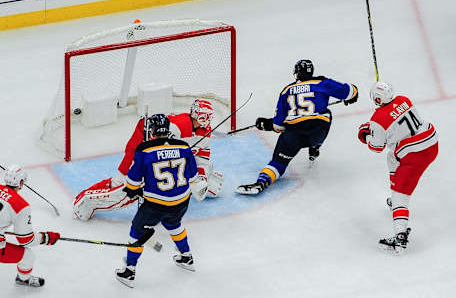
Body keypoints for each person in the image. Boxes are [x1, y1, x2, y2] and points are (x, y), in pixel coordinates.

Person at [73, 99, 224, 220]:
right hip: (141, 142)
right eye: (206, 117)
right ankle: (87, 199)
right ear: (198, 115)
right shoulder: (178, 126)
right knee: (122, 182)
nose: (208, 121)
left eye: (209, 117)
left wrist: (202, 179)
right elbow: (157, 148)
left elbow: (202, 158)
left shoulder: (204, 132)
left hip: (157, 149)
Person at [236, 59, 358, 195]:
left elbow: (278, 126)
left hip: (293, 134)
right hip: (317, 131)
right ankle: (315, 147)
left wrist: (268, 124)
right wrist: (353, 94)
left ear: (296, 74)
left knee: (278, 163)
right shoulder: (321, 83)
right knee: (326, 114)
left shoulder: (286, 91)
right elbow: (349, 92)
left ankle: (261, 183)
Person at [115, 114, 199, 288]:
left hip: (156, 204)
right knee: (174, 225)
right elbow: (193, 176)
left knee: (137, 231)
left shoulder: (144, 149)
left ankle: (129, 270)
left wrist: (132, 190)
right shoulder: (184, 146)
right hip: (182, 201)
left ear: (151, 131)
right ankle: (186, 257)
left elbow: (133, 179)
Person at [358, 81, 438, 254]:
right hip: (431, 142)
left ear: (378, 99)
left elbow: (376, 147)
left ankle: (400, 237)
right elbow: (395, 121)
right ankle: (396, 201)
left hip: (415, 154)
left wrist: (367, 134)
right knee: (392, 156)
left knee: (401, 195)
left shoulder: (377, 120)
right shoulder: (404, 99)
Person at [0, 165, 60, 287]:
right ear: (20, 182)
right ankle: (23, 279)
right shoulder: (21, 206)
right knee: (28, 256)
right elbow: (26, 240)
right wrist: (45, 237)